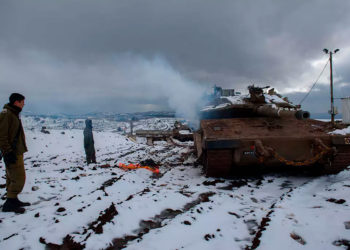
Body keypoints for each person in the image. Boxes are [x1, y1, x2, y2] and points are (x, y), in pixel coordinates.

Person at [0, 93, 30, 213]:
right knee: (19, 178)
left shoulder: (13, 113)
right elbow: (1, 135)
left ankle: (13, 199)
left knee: (11, 176)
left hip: (15, 151)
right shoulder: (7, 114)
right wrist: (8, 152)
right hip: (12, 152)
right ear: (16, 102)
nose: (24, 104)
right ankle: (10, 203)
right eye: (22, 102)